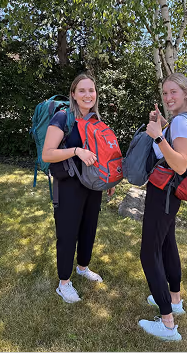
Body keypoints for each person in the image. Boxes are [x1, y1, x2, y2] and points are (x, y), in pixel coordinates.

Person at [42, 73, 115, 303]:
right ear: (73, 94)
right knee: (67, 233)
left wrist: (108, 180)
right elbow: (48, 154)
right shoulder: (63, 118)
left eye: (91, 90)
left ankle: (82, 267)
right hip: (68, 185)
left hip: (92, 185)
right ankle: (64, 283)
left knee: (88, 227)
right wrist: (76, 151)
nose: (87, 95)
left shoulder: (95, 121)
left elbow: (101, 153)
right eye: (82, 90)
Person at [138, 73, 187, 341]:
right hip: (168, 193)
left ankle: (167, 323)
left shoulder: (183, 123)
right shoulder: (180, 121)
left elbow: (181, 163)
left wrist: (158, 137)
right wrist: (163, 126)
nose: (168, 97)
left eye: (174, 92)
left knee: (149, 253)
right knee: (167, 244)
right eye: (165, 93)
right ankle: (174, 300)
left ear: (186, 93)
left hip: (164, 193)